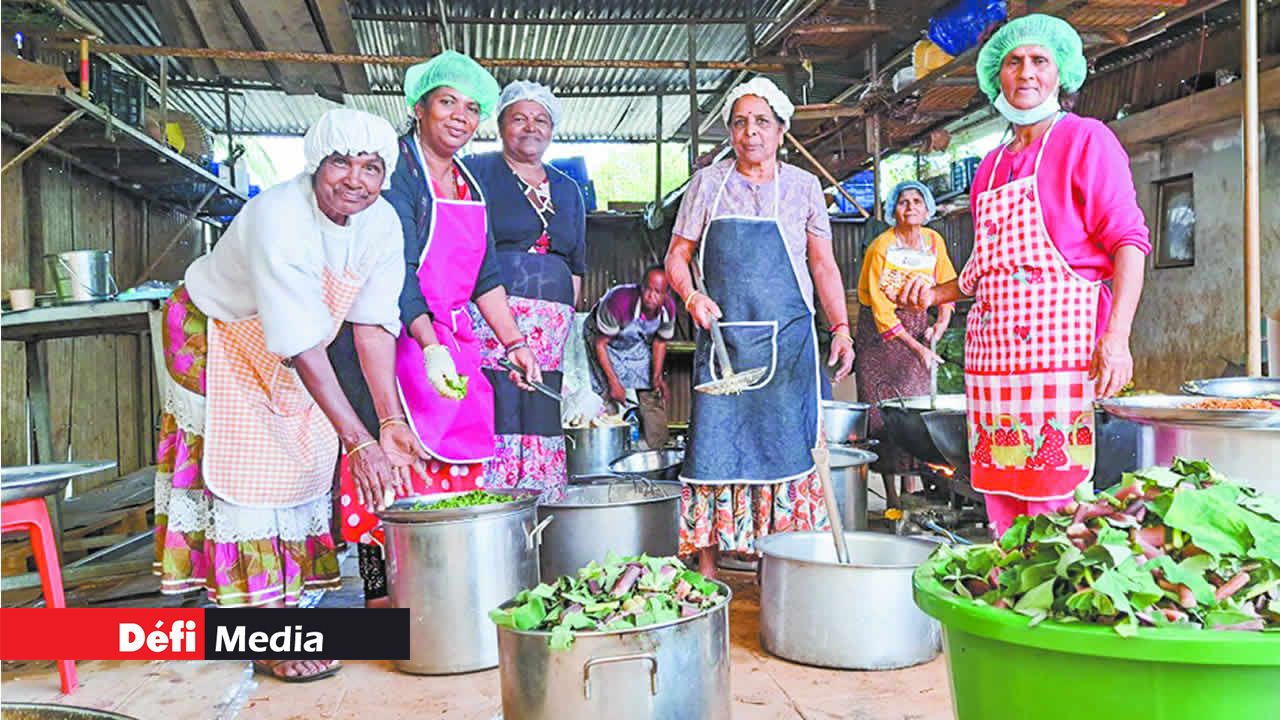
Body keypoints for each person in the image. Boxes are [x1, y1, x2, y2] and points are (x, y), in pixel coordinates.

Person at [153, 109, 423, 682]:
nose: (355, 179)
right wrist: (358, 441)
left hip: (290, 347)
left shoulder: (383, 223)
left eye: (371, 167)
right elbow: (302, 345)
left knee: (298, 463)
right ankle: (266, 633)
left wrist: (388, 420)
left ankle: (286, 610)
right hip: (214, 336)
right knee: (245, 474)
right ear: (315, 164)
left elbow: (373, 325)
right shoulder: (279, 214)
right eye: (340, 163)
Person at [892, 15, 1149, 536]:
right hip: (993, 366)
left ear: (1061, 74)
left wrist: (1117, 337)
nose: (1025, 72)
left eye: (1039, 61)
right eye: (1013, 62)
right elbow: (983, 271)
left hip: (1060, 358)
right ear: (996, 76)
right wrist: (932, 293)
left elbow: (1129, 242)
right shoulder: (988, 168)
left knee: (1056, 509)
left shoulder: (1086, 141)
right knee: (1001, 508)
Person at [328, 51, 541, 606]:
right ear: (419, 107)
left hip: (452, 343)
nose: (459, 118)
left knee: (453, 468)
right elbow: (392, 271)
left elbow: (485, 275)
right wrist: (426, 344)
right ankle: (379, 596)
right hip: (390, 336)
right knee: (379, 485)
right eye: (447, 102)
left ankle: (437, 593)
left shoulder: (470, 182)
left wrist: (514, 342)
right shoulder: (396, 172)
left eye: (471, 109)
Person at [665, 77, 856, 578]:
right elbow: (677, 256)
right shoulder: (708, 183)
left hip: (788, 343)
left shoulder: (804, 187)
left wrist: (840, 327)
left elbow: (823, 265)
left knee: (785, 447)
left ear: (781, 131)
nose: (751, 132)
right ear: (729, 130)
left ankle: (781, 563)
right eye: (740, 122)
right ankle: (707, 569)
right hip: (723, 341)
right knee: (714, 449)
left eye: (762, 122)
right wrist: (692, 296)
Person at [464, 81, 586, 500]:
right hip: (493, 316)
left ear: (552, 130)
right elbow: (466, 246)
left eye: (540, 120)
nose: (530, 128)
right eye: (519, 118)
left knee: (539, 405)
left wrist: (563, 325)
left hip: (550, 327)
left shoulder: (568, 189)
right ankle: (494, 504)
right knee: (499, 401)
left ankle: (542, 503)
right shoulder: (477, 172)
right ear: (500, 125)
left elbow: (577, 264)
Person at [854, 180, 957, 506]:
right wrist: (919, 349)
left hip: (917, 327)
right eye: (903, 201)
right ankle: (892, 499)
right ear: (892, 210)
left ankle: (913, 491)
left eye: (917, 201)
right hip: (881, 337)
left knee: (915, 410)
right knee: (883, 411)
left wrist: (939, 325)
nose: (910, 207)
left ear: (927, 210)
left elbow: (948, 288)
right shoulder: (881, 246)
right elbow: (882, 310)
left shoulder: (933, 242)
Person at [584, 266, 679, 449]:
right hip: (602, 340)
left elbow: (660, 342)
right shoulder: (618, 302)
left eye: (658, 292)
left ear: (666, 293)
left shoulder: (668, 309)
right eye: (647, 289)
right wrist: (614, 383)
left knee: (651, 392)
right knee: (607, 395)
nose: (651, 295)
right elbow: (600, 344)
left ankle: (657, 450)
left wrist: (657, 377)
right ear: (640, 287)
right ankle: (610, 451)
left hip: (634, 339)